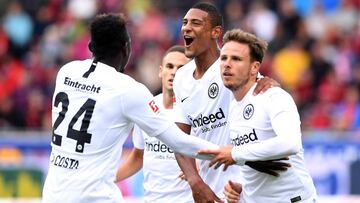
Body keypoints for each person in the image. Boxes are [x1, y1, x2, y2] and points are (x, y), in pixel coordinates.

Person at [41, 13, 221, 203]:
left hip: (53, 195)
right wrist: (230, 153)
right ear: (126, 48)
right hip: (93, 198)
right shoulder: (128, 90)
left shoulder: (66, 73)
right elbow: (177, 140)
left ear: (91, 47)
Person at [173, 2, 288, 202]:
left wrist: (267, 81)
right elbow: (179, 139)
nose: (186, 27)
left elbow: (262, 93)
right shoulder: (182, 78)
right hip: (209, 188)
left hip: (242, 188)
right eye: (185, 22)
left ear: (215, 32)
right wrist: (196, 182)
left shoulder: (231, 68)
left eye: (196, 23)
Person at [198, 29, 317, 203]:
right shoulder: (229, 105)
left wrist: (235, 153)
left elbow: (290, 143)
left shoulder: (274, 97)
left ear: (255, 67)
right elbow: (250, 156)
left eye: (236, 59)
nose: (227, 64)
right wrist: (243, 191)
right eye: (224, 58)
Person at [115, 45, 194, 203]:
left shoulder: (197, 111)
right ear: (160, 71)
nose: (174, 72)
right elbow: (138, 157)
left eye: (181, 68)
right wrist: (107, 178)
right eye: (169, 66)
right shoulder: (146, 107)